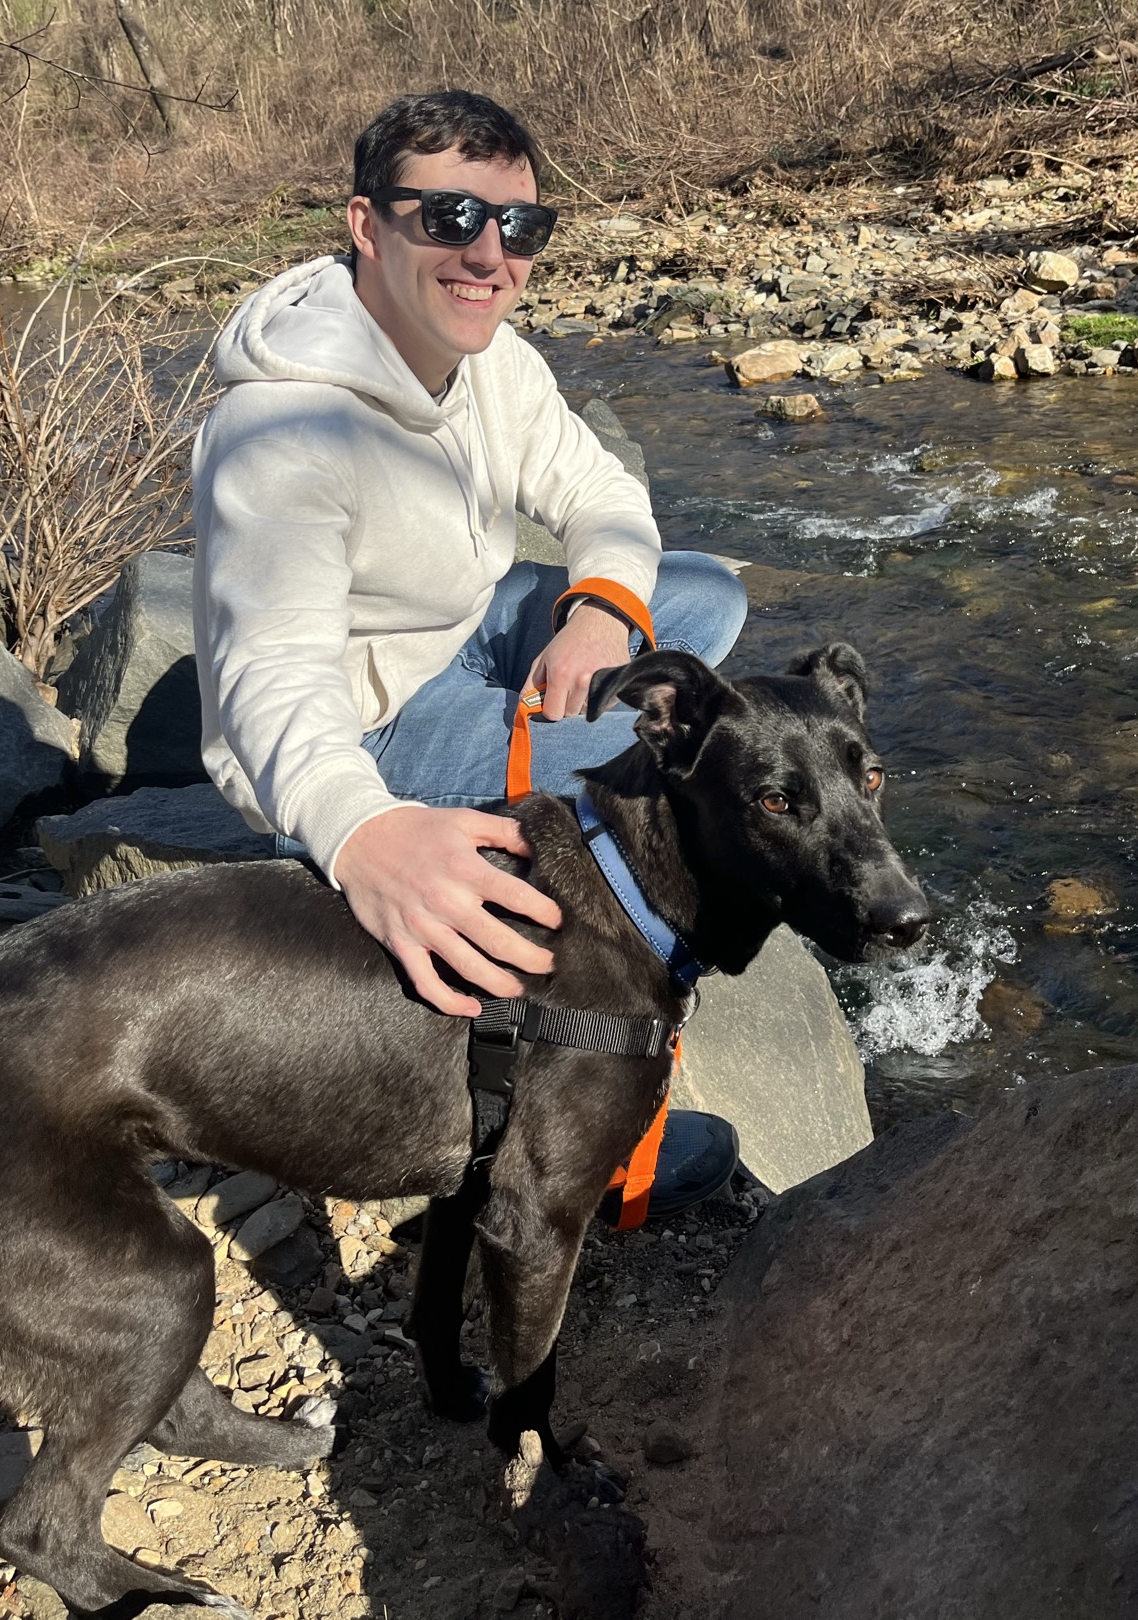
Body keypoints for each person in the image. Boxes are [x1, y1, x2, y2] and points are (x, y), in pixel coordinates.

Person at [192, 89, 748, 1212]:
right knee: (687, 786)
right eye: (450, 217)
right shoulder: (282, 433)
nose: (491, 255)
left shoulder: (493, 358)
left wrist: (599, 611)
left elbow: (602, 492)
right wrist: (364, 833)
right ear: (366, 224)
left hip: (467, 622)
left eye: (521, 226)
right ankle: (592, 1070)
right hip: (369, 717)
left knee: (702, 600)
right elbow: (272, 678)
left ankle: (566, 741)